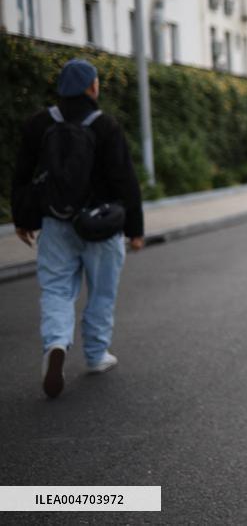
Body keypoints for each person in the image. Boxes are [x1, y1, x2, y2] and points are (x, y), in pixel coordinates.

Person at [11, 58, 144, 399]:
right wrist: (135, 229)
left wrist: (23, 219)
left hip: (55, 224)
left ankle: (55, 343)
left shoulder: (41, 123)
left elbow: (22, 174)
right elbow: (125, 180)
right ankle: (97, 355)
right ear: (92, 87)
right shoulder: (106, 126)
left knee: (56, 290)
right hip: (101, 226)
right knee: (101, 292)